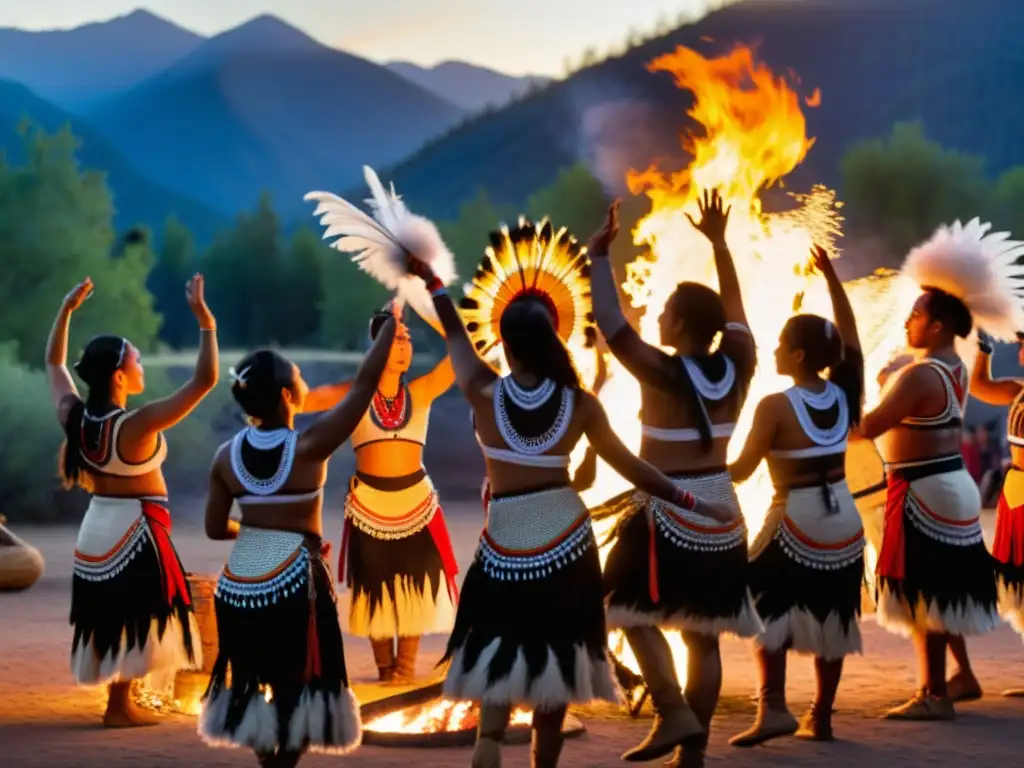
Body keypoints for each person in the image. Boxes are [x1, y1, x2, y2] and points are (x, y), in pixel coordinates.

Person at [404, 238, 737, 768]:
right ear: (552, 340)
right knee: (556, 666)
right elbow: (633, 468)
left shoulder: (482, 393)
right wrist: (699, 503)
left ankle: (488, 743)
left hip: (505, 542)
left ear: (506, 345)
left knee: (497, 651)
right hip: (566, 543)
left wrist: (436, 285)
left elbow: (454, 334)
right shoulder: (580, 404)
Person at [589, 191, 760, 767]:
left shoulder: (659, 371)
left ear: (681, 322)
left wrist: (598, 258)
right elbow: (735, 312)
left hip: (666, 511)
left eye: (664, 310)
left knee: (621, 611)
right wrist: (719, 244)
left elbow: (611, 328)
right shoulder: (740, 362)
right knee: (703, 636)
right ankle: (694, 752)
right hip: (723, 514)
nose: (657, 316)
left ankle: (671, 710)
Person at [198, 311, 397, 767]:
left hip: (239, 587)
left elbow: (214, 528)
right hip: (292, 584)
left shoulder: (224, 458)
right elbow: (364, 387)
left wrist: (255, 534)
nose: (306, 380)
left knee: (256, 690)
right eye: (300, 376)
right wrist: (389, 328)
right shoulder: (308, 446)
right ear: (288, 395)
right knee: (294, 696)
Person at [856, 219, 1015, 720]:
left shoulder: (924, 372)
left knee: (923, 589)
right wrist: (890, 378)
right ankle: (962, 675)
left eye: (917, 314)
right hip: (945, 486)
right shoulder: (951, 367)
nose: (907, 321)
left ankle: (932, 694)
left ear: (939, 325)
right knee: (942, 586)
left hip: (925, 490)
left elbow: (870, 425)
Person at [46, 274, 218, 727]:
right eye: (137, 359)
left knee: (110, 611)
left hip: (97, 527)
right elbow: (206, 379)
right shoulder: (137, 425)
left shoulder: (75, 417)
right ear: (119, 374)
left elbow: (54, 364)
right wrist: (205, 320)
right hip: (136, 529)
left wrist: (65, 311)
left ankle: (120, 701)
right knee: (138, 612)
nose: (143, 365)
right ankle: (119, 706)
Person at [727, 246, 866, 746]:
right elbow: (850, 342)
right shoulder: (845, 393)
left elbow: (741, 471)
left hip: (795, 520)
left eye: (782, 343)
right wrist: (832, 278)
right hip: (844, 524)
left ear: (801, 355)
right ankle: (820, 716)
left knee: (762, 605)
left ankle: (773, 709)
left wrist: (693, 472)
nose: (776, 350)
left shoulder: (774, 405)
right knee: (833, 618)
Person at [303, 303, 458, 684]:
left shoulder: (421, 391)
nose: (404, 346)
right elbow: (300, 401)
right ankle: (384, 668)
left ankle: (404, 667)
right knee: (373, 587)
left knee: (415, 588)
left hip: (417, 503)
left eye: (407, 339)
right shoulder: (353, 396)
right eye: (395, 338)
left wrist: (426, 306)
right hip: (368, 504)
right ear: (377, 345)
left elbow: (462, 351)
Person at [967, 329, 1024, 697]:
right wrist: (983, 347)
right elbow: (979, 385)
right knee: (1020, 584)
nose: (1021, 351)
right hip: (1016, 492)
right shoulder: (1017, 390)